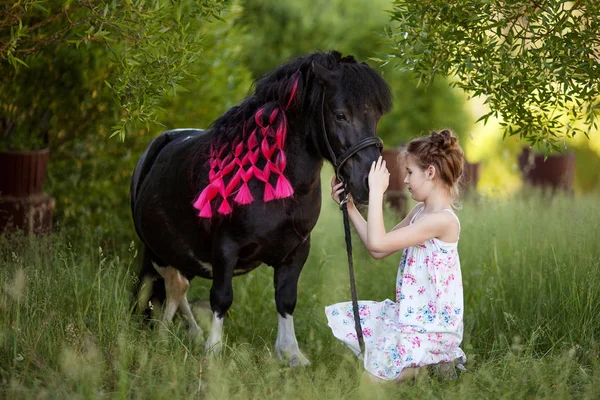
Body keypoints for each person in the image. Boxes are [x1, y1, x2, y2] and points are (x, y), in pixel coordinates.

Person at [325, 129, 467, 384]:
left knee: (371, 382)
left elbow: (378, 241)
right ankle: (428, 363)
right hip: (411, 317)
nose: (406, 181)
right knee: (373, 351)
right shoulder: (419, 212)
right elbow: (377, 248)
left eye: (410, 172)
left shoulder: (443, 221)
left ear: (430, 172)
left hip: (432, 327)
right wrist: (349, 208)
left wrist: (377, 191)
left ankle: (433, 360)